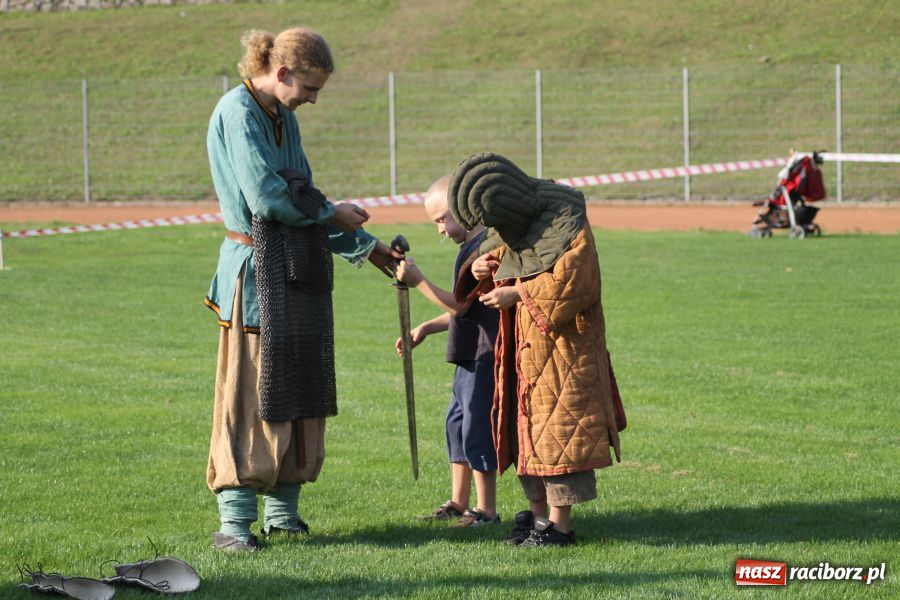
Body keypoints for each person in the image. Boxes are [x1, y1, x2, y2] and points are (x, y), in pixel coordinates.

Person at [203, 27, 401, 552]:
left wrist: (368, 247)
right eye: (309, 88)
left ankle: (283, 516)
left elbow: (305, 197)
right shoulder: (237, 111)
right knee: (251, 397)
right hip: (254, 273)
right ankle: (235, 525)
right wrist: (331, 213)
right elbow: (269, 200)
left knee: (300, 389)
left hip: (298, 267)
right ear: (283, 72)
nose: (312, 100)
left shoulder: (282, 117)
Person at [449, 152, 624, 547]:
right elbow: (507, 252)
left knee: (558, 438)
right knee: (526, 434)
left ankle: (560, 528)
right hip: (523, 353)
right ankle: (539, 518)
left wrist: (519, 293)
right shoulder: (517, 220)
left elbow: (577, 284)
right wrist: (482, 267)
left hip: (563, 353)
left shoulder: (568, 222)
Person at [394, 175, 501, 528]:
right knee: (456, 425)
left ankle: (486, 511)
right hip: (466, 357)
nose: (440, 229)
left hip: (484, 356)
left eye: (442, 219)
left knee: (476, 429)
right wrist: (425, 328)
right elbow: (464, 307)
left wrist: (418, 281)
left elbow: (458, 305)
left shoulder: (484, 250)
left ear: (466, 210)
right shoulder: (465, 251)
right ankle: (458, 502)